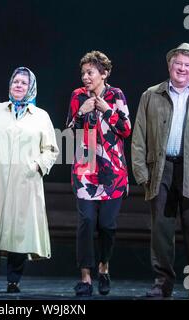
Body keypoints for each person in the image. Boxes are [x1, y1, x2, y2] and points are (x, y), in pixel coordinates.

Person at [131, 43, 189, 299]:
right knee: (161, 230)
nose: (182, 69)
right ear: (169, 66)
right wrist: (141, 173)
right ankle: (163, 283)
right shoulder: (151, 95)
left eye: (187, 65)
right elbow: (139, 137)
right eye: (178, 64)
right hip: (161, 169)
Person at [0, 66, 59, 293]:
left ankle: (13, 280)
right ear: (10, 85)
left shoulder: (41, 116)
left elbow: (51, 150)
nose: (18, 85)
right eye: (15, 81)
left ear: (31, 88)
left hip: (25, 181)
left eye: (23, 83)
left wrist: (37, 166)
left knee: (19, 232)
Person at [66, 51, 131, 296]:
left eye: (90, 72)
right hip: (85, 171)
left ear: (103, 74)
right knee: (86, 222)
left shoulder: (116, 96)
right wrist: (81, 112)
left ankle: (104, 267)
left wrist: (107, 110)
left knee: (107, 225)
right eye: (83, 73)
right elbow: (71, 132)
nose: (85, 77)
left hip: (113, 173)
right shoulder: (77, 96)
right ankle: (85, 277)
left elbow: (126, 129)